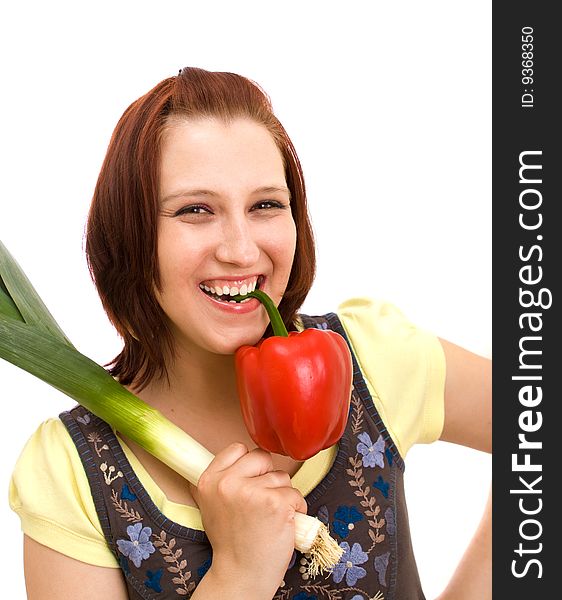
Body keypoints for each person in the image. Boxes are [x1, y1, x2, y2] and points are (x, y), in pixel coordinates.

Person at [9, 66, 492, 600]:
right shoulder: (72, 470)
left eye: (265, 205)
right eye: (195, 210)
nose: (240, 249)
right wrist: (240, 573)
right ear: (132, 235)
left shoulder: (372, 361)